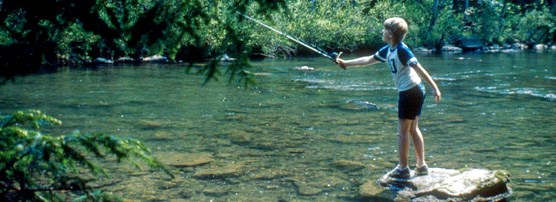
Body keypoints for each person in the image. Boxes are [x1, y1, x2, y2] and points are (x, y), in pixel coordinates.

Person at [336, 17, 441, 178]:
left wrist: (434, 87)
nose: (382, 31)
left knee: (402, 131)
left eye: (384, 29)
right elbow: (367, 60)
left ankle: (403, 168)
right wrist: (346, 63)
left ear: (391, 34)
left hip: (410, 91)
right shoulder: (388, 49)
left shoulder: (402, 50)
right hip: (415, 90)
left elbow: (419, 68)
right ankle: (421, 166)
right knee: (412, 128)